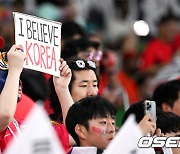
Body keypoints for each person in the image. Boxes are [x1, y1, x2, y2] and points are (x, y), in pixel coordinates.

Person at [0, 45, 26, 152]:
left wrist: (62, 89)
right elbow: (4, 115)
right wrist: (14, 71)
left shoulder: (23, 126)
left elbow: (75, 134)